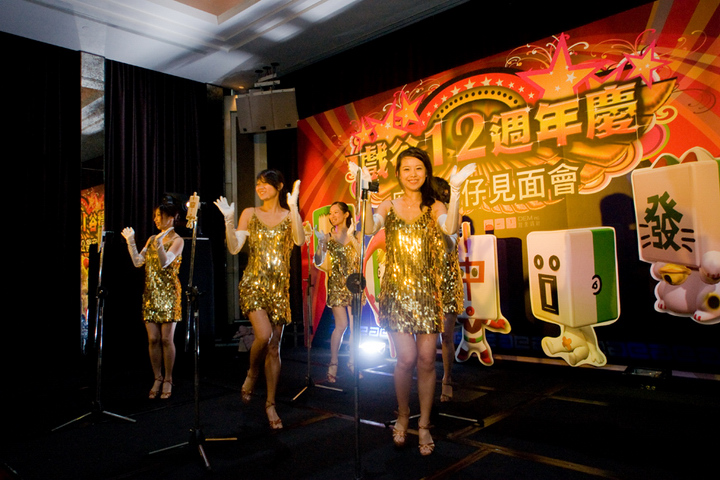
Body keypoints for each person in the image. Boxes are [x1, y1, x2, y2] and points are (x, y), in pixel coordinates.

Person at [363, 147, 475, 455]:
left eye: (418, 169)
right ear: (398, 174)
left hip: (428, 293)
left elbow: (450, 228)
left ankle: (424, 424)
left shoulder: (435, 206)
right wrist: (364, 195)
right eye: (407, 169)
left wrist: (455, 192)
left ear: (426, 173)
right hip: (396, 294)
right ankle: (403, 414)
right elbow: (369, 228)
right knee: (406, 359)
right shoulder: (389, 204)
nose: (413, 174)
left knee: (427, 360)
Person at [214, 169, 304, 430]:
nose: (260, 188)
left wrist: (294, 207)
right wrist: (229, 221)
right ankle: (252, 373)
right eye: (258, 184)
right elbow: (234, 248)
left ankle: (270, 403)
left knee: (274, 347)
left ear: (279, 186)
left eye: (266, 184)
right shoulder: (250, 213)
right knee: (263, 335)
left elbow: (299, 240)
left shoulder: (288, 215)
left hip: (279, 289)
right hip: (253, 283)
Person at [122, 194, 185, 400]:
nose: (156, 219)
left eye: (160, 215)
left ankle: (168, 378)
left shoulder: (177, 240)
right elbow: (138, 262)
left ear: (171, 217)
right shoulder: (152, 239)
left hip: (169, 294)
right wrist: (131, 242)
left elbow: (166, 262)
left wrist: (158, 244)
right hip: (151, 293)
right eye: (155, 216)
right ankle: (157, 377)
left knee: (167, 339)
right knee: (153, 338)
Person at [313, 202, 363, 383]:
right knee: (341, 325)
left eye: (336, 212)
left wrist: (352, 237)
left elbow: (363, 255)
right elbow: (318, 261)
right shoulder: (328, 237)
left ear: (346, 214)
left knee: (355, 327)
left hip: (355, 285)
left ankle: (353, 362)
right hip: (336, 286)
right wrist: (321, 243)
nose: (332, 216)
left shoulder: (356, 235)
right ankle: (333, 362)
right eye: (330, 213)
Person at [431, 176, 464, 403]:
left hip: (449, 280)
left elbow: (451, 245)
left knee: (446, 336)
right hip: (426, 281)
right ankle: (426, 380)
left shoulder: (453, 216)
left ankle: (447, 379)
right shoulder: (421, 216)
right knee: (425, 338)